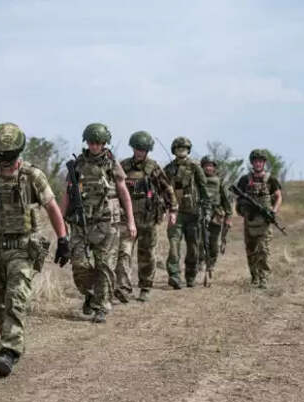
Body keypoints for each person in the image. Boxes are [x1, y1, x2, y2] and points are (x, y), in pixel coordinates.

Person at [0, 122, 70, 377]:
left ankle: (8, 350)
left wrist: (63, 239)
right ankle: (13, 339)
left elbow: (52, 207)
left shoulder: (32, 176)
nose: (5, 160)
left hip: (22, 249)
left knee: (16, 298)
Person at [60, 123, 136, 323]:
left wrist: (131, 221)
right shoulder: (77, 164)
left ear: (104, 143)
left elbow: (123, 193)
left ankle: (102, 306)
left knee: (105, 266)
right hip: (81, 223)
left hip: (107, 223)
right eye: (91, 142)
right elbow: (67, 193)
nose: (94, 146)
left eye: (98, 143)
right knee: (79, 264)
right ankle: (91, 293)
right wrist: (61, 219)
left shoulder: (111, 163)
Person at [114, 131, 177, 302]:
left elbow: (167, 188)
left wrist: (173, 210)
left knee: (147, 254)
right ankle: (124, 288)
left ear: (148, 150)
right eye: (137, 148)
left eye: (143, 149)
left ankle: (145, 287)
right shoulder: (123, 166)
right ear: (132, 148)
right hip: (126, 219)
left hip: (148, 218)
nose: (139, 152)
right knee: (123, 253)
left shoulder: (153, 167)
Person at [163, 136, 210, 288]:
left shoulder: (195, 167)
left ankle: (191, 275)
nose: (181, 150)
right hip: (176, 213)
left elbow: (204, 189)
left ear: (188, 150)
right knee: (174, 245)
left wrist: (207, 211)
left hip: (193, 213)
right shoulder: (169, 169)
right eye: (178, 148)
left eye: (184, 148)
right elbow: (163, 189)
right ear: (174, 150)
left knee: (193, 248)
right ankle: (174, 275)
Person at [235, 149, 282, 289]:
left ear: (264, 163)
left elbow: (279, 196)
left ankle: (264, 278)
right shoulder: (245, 180)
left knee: (263, 249)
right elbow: (238, 198)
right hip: (249, 220)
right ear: (252, 163)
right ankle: (254, 276)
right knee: (251, 250)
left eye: (260, 161)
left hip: (264, 221)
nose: (258, 164)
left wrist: (274, 211)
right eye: (256, 161)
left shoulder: (271, 179)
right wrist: (243, 209)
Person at [198, 155, 232, 275]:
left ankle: (211, 264)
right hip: (201, 213)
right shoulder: (197, 180)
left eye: (210, 166)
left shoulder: (219, 182)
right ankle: (201, 261)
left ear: (214, 167)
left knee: (213, 242)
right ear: (202, 167)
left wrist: (228, 217)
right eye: (206, 166)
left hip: (216, 215)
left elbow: (226, 201)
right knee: (200, 241)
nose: (208, 168)